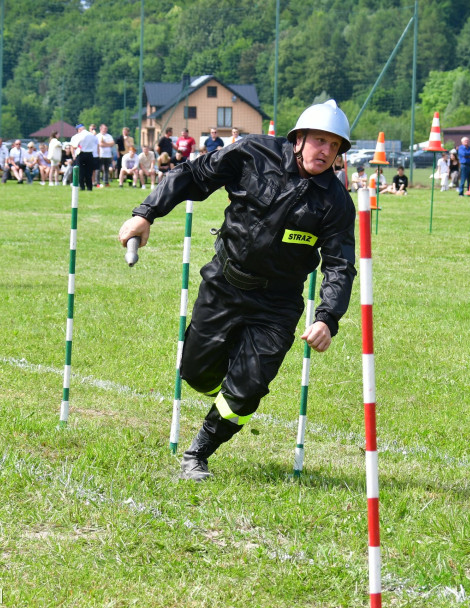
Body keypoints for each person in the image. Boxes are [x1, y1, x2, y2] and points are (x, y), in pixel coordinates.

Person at [118, 100, 356, 482]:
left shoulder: (337, 203)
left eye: (334, 146)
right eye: (319, 141)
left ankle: (199, 451)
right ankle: (228, 372)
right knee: (196, 374)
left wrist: (327, 317)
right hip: (224, 284)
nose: (325, 151)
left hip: (277, 305)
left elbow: (340, 264)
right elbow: (192, 175)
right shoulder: (252, 153)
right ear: (298, 139)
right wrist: (146, 213)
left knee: (247, 390)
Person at [70, 124, 98, 191]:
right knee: (89, 172)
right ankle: (89, 187)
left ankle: (82, 187)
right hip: (90, 154)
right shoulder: (92, 135)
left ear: (79, 130)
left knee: (81, 172)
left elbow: (74, 146)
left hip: (81, 154)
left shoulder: (79, 135)